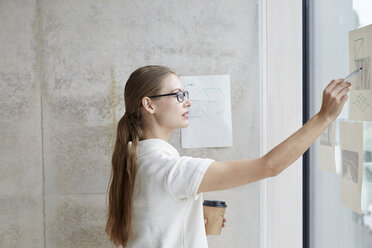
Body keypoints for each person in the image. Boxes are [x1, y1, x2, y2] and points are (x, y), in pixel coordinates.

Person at [105, 65, 351, 247]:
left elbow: (151, 227)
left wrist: (189, 223)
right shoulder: (169, 170)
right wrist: (324, 117)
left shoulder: (137, 163)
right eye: (178, 95)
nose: (187, 103)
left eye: (186, 95)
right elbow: (269, 166)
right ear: (149, 105)